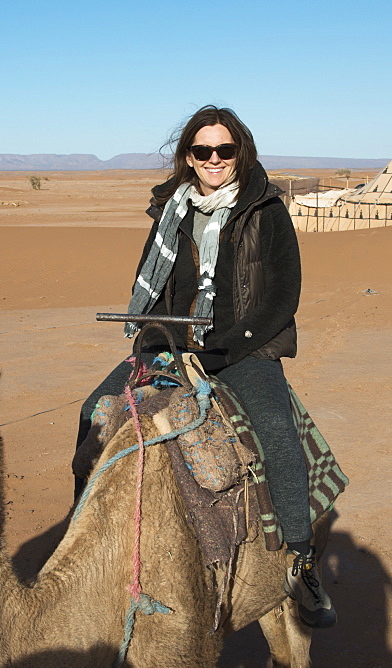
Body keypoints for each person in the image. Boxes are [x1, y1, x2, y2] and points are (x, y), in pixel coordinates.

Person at [73, 105, 332, 627]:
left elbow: (284, 294)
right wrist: (152, 333)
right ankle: (84, 542)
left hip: (241, 347)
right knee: (93, 412)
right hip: (170, 342)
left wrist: (232, 346)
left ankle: (301, 560)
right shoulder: (170, 208)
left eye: (224, 150)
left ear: (241, 153)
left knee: (277, 433)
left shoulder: (265, 210)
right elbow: (154, 282)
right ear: (188, 157)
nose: (214, 160)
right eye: (202, 151)